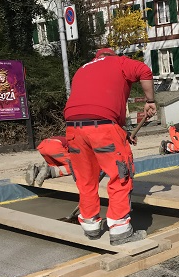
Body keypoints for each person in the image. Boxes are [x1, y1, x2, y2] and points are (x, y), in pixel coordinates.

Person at [64, 48, 156, 245]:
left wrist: (120, 134)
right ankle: (120, 231)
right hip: (104, 126)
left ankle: (91, 227)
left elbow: (93, 106)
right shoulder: (119, 62)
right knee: (120, 175)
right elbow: (145, 71)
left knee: (85, 178)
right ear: (113, 56)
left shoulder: (82, 69)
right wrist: (150, 101)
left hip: (73, 128)